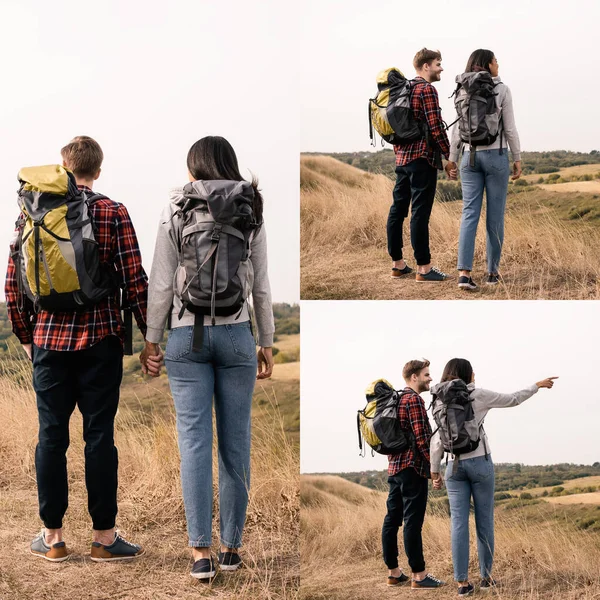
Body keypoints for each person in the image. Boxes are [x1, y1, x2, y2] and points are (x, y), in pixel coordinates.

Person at [4, 136, 162, 562]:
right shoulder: (112, 211)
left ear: (63, 166)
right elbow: (135, 281)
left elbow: (14, 283)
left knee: (50, 439)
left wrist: (25, 337)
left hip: (49, 343)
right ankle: (104, 539)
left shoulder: (33, 212)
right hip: (100, 342)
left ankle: (53, 538)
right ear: (98, 169)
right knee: (99, 438)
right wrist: (150, 339)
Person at [140, 135, 275, 580]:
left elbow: (161, 280)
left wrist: (153, 338)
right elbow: (261, 284)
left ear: (194, 167)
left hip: (184, 336)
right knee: (236, 445)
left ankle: (200, 552)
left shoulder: (177, 206)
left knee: (194, 444)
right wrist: (267, 340)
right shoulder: (250, 206)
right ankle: (231, 549)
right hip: (237, 335)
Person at [430, 358, 557, 595]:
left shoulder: (439, 398)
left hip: (453, 468)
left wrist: (434, 470)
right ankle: (486, 578)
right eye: (473, 371)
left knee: (458, 523)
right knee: (484, 521)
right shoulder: (478, 395)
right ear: (468, 374)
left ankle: (462, 584)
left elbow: (437, 439)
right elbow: (513, 399)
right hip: (479, 463)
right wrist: (536, 385)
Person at [445, 49, 522, 290]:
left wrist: (452, 158)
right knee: (495, 216)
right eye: (496, 61)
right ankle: (492, 272)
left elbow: (457, 129)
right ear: (488, 65)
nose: (498, 65)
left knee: (469, 214)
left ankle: (464, 274)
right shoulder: (502, 89)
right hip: (496, 156)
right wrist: (517, 157)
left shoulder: (461, 88)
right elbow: (509, 128)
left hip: (469, 156)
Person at [387, 48, 451, 283]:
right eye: (438, 63)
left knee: (397, 210)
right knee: (419, 213)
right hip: (422, 159)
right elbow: (436, 128)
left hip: (401, 160)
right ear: (426, 66)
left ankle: (398, 265)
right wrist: (448, 155)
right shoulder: (426, 89)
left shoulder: (401, 90)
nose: (441, 67)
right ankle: (424, 269)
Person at [381, 359, 445, 590]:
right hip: (412, 470)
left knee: (391, 520)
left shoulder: (395, 399)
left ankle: (394, 573)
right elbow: (422, 439)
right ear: (414, 377)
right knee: (412, 523)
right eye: (426, 375)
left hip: (394, 469)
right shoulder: (413, 400)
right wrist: (434, 470)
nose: (430, 378)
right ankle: (419, 575)